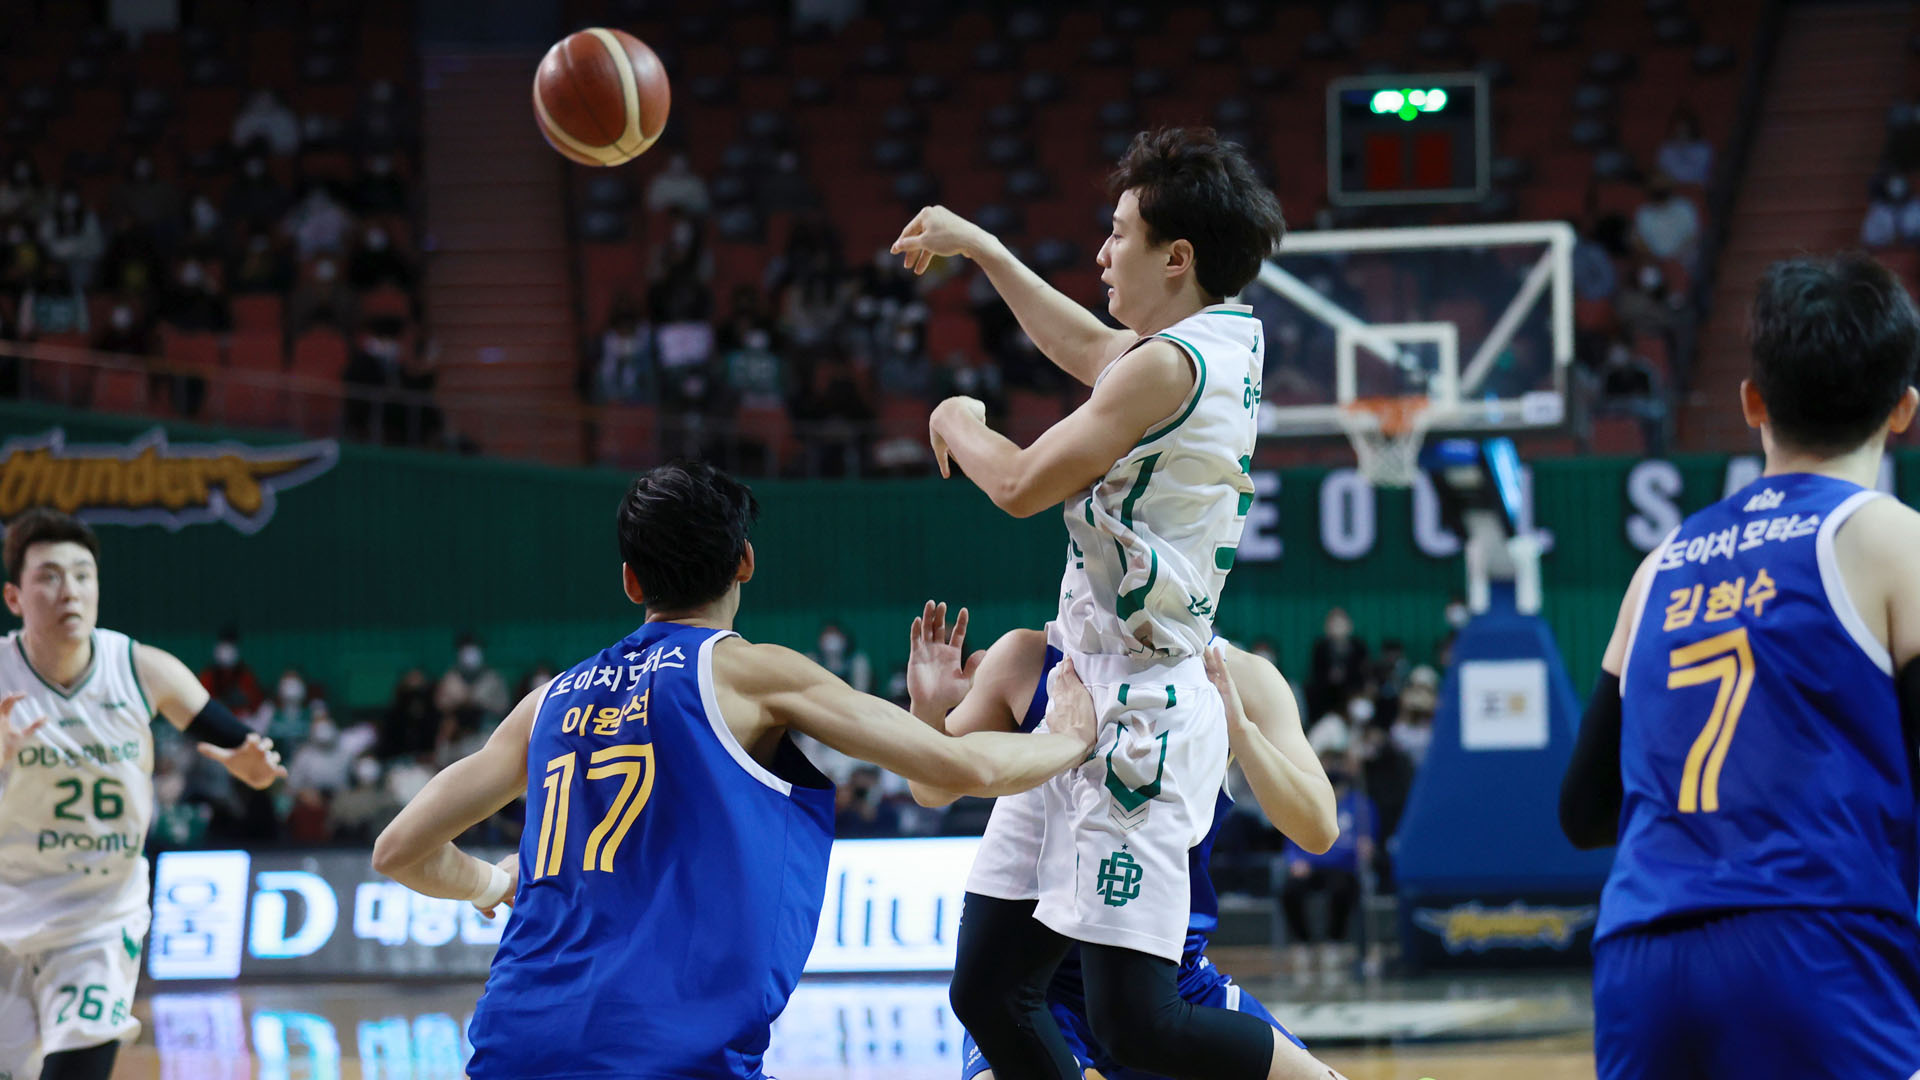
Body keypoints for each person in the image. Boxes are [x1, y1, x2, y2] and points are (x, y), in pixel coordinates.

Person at [370, 461, 1097, 1079]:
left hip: (511, 1045)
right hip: (667, 1054)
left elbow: (399, 850)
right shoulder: (752, 675)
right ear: (745, 561)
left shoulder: (546, 703)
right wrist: (1067, 738)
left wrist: (492, 884)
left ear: (630, 581)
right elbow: (964, 767)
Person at [890, 126, 1289, 1080]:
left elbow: (1020, 484)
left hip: (1142, 712)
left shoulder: (1166, 366)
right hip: (1085, 687)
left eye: (1119, 234)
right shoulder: (1215, 342)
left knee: (1139, 1026)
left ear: (1176, 257)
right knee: (989, 990)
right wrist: (984, 249)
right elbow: (1090, 346)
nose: (1103, 253)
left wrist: (957, 419)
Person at [1560, 252, 1920, 1079]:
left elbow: (1583, 811)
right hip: (1816, 940)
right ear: (1903, 409)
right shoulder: (1894, 540)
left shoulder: (1659, 566)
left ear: (1753, 400)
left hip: (1642, 958)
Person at [899, 603, 1346, 1080]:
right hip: (1038, 981)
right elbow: (931, 789)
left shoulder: (1236, 675)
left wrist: (1243, 731)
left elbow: (1319, 829)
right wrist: (928, 711)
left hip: (1163, 974)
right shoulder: (1028, 657)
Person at [0, 509, 285, 1080]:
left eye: (83, 575)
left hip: (98, 919)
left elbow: (249, 757)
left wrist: (255, 770)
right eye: (49, 576)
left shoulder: (142, 670)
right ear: (14, 597)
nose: (69, 590)